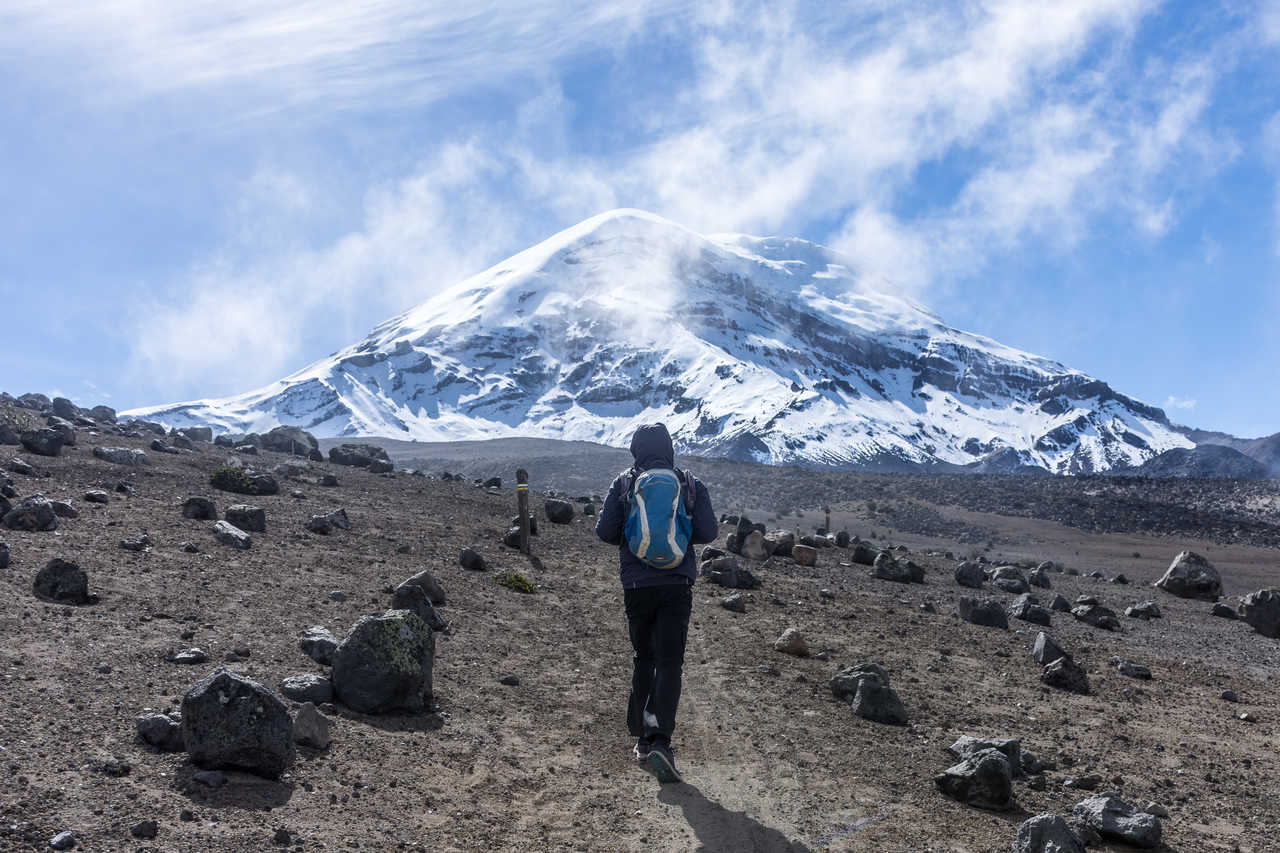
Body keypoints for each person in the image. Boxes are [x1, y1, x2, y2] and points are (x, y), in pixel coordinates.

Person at [595, 422, 716, 783]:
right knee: (670, 662)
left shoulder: (625, 483)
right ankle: (660, 739)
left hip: (637, 585)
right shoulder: (690, 483)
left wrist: (633, 538)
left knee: (643, 658)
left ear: (636, 450)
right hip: (676, 584)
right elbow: (709, 532)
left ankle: (642, 739)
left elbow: (604, 531)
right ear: (669, 449)